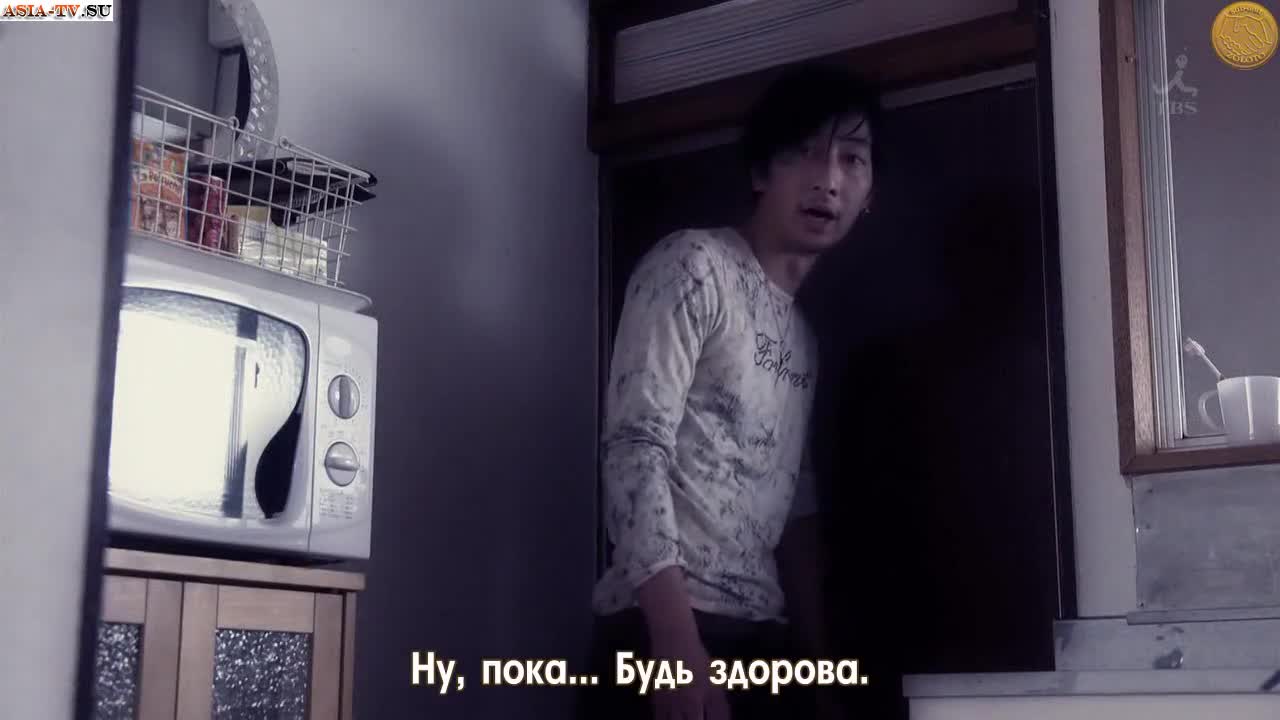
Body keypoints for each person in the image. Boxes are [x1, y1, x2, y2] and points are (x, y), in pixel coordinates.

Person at [578, 62, 880, 720]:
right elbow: (633, 448)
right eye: (804, 153)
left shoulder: (804, 337)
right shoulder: (694, 266)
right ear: (760, 172)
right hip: (661, 628)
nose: (828, 179)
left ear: (869, 192)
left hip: (762, 640)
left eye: (851, 159)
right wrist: (675, 648)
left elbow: (796, 508)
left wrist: (817, 668)